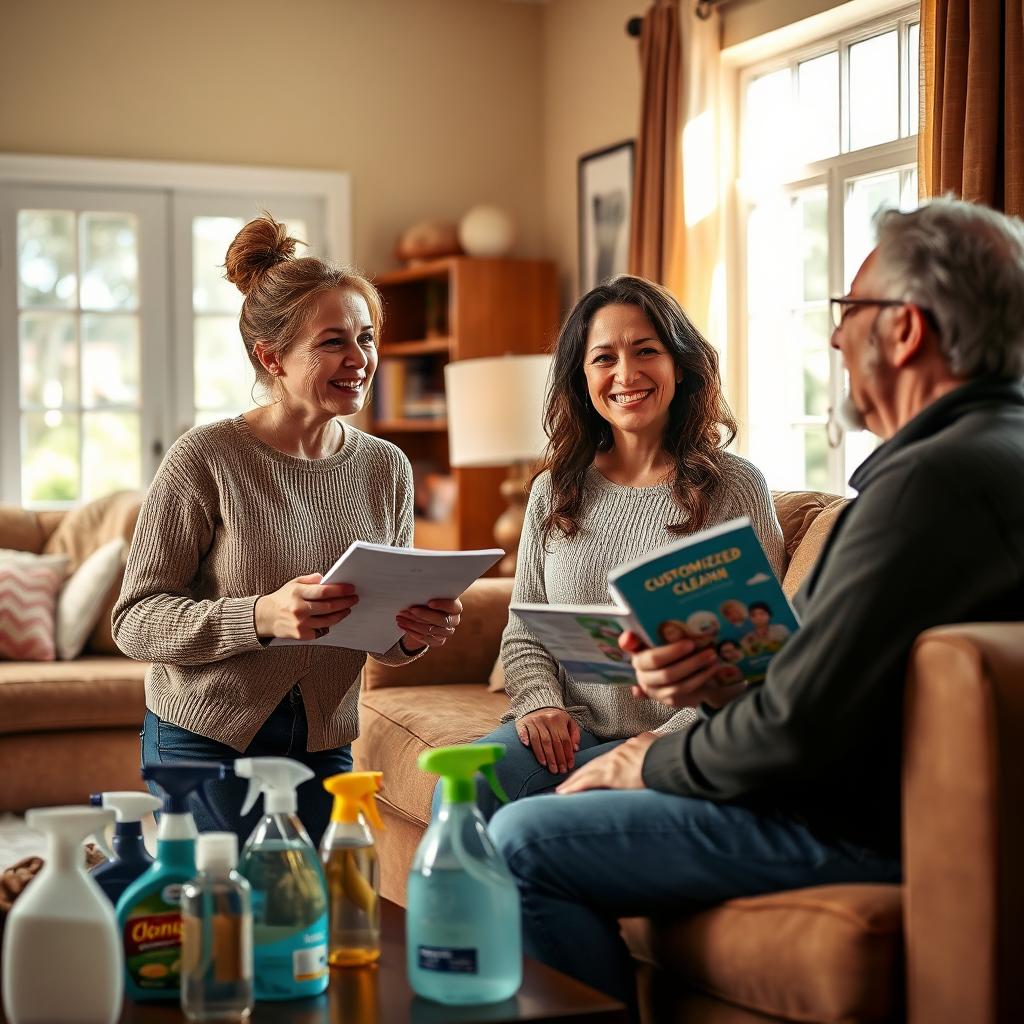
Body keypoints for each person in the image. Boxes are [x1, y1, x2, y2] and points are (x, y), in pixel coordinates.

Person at [487, 198, 1024, 1009]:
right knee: (487, 784)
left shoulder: (926, 486)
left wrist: (650, 759)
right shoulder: (986, 455)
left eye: (850, 313)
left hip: (847, 815)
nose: (837, 338)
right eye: (603, 358)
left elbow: (798, 720)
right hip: (858, 789)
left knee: (523, 838)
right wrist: (711, 683)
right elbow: (802, 677)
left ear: (906, 330)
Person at [113, 214, 462, 848]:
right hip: (205, 737)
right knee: (233, 924)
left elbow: (381, 634)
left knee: (316, 924)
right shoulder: (206, 458)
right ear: (271, 357)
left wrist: (413, 633)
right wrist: (261, 617)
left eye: (366, 337)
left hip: (326, 740)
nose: (359, 360)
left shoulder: (387, 467)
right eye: (332, 341)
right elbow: (134, 620)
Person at [443, 276, 785, 821]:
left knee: (535, 818)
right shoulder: (554, 489)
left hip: (683, 744)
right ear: (582, 379)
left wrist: (658, 746)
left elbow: (751, 660)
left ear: (680, 364)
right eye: (604, 358)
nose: (626, 375)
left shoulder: (735, 487)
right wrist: (540, 703)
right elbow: (525, 628)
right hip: (568, 729)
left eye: (646, 351)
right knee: (461, 790)